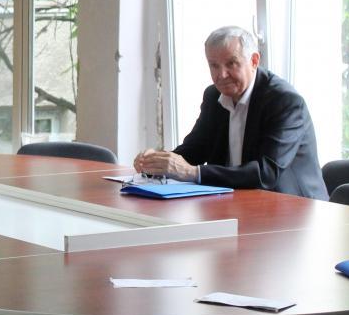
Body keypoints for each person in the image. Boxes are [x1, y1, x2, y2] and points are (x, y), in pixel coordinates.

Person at [133, 25, 327, 199]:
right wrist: (157, 163)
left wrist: (193, 173)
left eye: (231, 63)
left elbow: (266, 173)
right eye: (214, 65)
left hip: (293, 207)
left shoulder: (284, 102)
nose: (221, 75)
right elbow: (195, 149)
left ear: (254, 61)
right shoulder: (213, 96)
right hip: (238, 200)